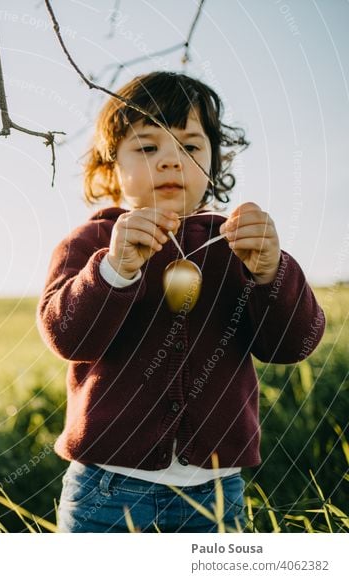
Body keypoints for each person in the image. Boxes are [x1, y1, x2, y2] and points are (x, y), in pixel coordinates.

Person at [37, 71, 326, 533]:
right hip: (108, 488)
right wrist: (114, 270)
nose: (171, 161)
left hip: (215, 490)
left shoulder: (236, 244)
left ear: (214, 161)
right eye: (148, 147)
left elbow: (291, 345)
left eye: (190, 147)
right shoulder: (93, 241)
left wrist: (272, 271)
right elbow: (68, 336)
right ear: (111, 166)